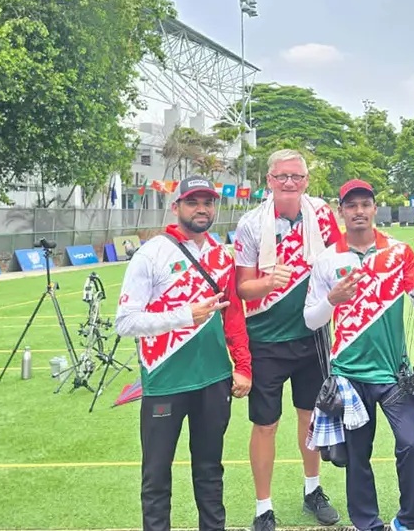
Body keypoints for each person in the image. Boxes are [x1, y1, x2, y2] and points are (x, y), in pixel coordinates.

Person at [303, 179, 414, 531]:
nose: (359, 211)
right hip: (349, 376)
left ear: (374, 208)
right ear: (341, 211)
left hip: (395, 373)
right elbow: (311, 320)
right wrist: (332, 300)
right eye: (351, 206)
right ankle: (367, 523)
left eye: (365, 204)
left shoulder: (399, 252)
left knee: (412, 445)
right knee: (357, 456)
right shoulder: (327, 259)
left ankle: (408, 520)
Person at [115, 174, 253, 531]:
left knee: (210, 471)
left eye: (208, 202)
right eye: (193, 202)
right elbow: (125, 322)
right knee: (156, 475)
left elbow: (233, 317)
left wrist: (243, 366)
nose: (201, 209)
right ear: (176, 207)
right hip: (165, 380)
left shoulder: (222, 256)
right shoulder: (151, 253)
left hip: (214, 379)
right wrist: (184, 316)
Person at [233, 149, 342, 529]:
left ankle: (313, 490)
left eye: (296, 176)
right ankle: (263, 507)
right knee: (265, 424)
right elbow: (242, 288)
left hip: (312, 336)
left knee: (310, 417)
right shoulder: (251, 223)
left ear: (306, 181)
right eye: (282, 176)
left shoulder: (322, 213)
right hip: (265, 339)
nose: (289, 183)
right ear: (269, 181)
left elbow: (339, 261)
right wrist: (267, 283)